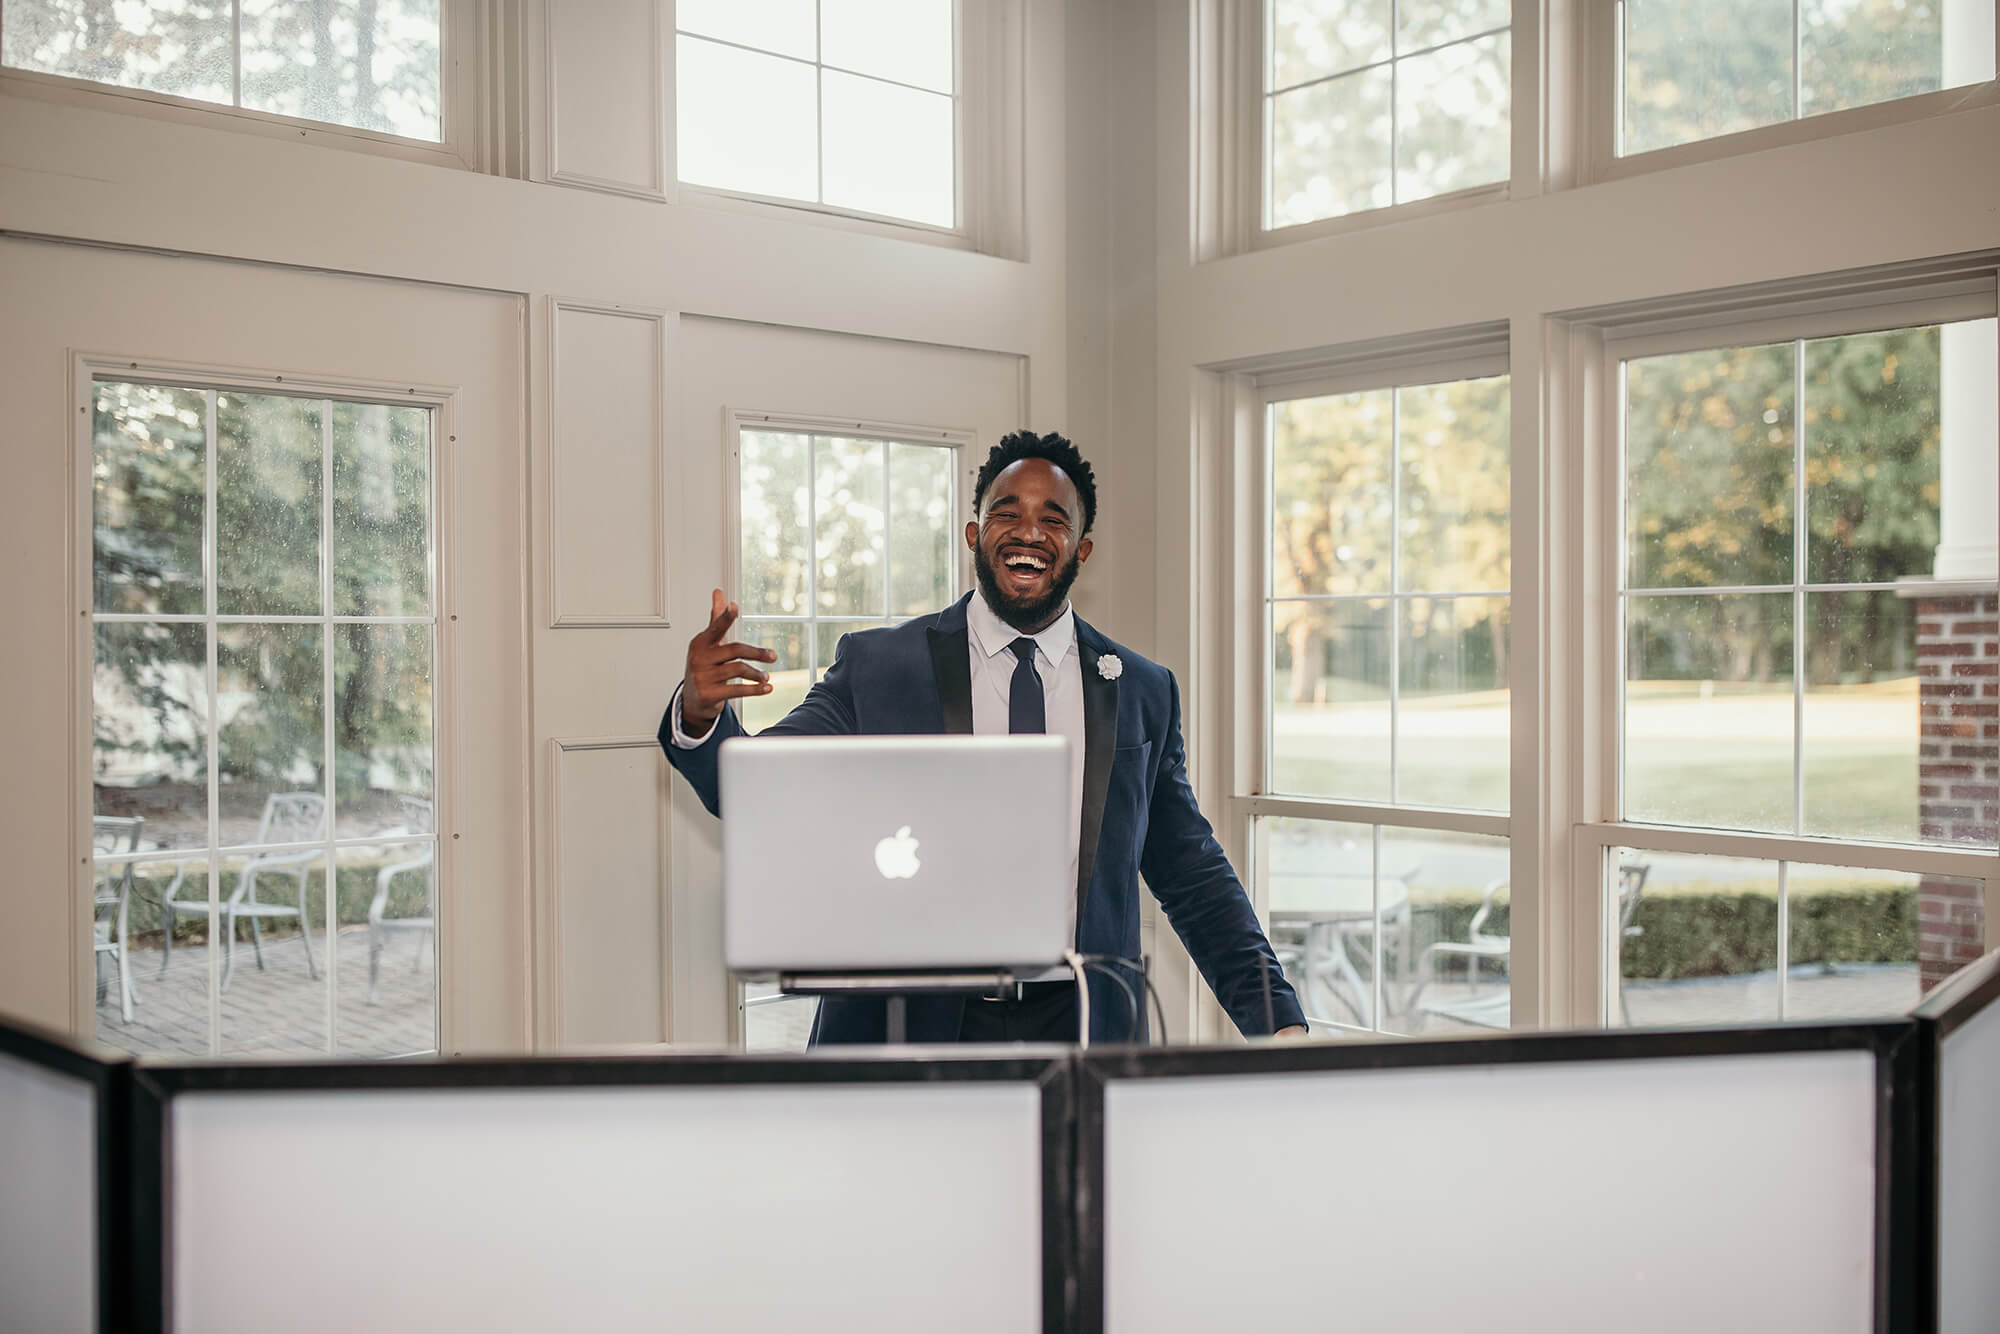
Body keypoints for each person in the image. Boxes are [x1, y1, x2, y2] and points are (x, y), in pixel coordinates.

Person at [661, 430, 1307, 1044]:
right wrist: (700, 717)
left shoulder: (1142, 689)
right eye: (1008, 513)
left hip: (1080, 1031)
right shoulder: (879, 667)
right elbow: (757, 786)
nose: (1029, 531)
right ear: (975, 534)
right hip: (906, 1029)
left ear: (1082, 549)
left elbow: (1194, 877)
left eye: (1054, 518)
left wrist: (1279, 1019)